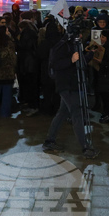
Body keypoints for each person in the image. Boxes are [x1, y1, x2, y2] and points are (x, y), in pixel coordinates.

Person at [42, 27, 100, 159]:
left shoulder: (73, 45)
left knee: (62, 113)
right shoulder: (61, 46)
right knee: (77, 113)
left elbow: (80, 62)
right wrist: (71, 60)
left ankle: (50, 141)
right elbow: (55, 65)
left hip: (73, 84)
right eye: (79, 34)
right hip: (66, 85)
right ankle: (85, 147)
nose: (81, 37)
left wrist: (90, 54)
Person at [0, 25, 17, 118]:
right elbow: (12, 57)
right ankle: (5, 113)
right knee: (7, 94)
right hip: (7, 71)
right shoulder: (9, 43)